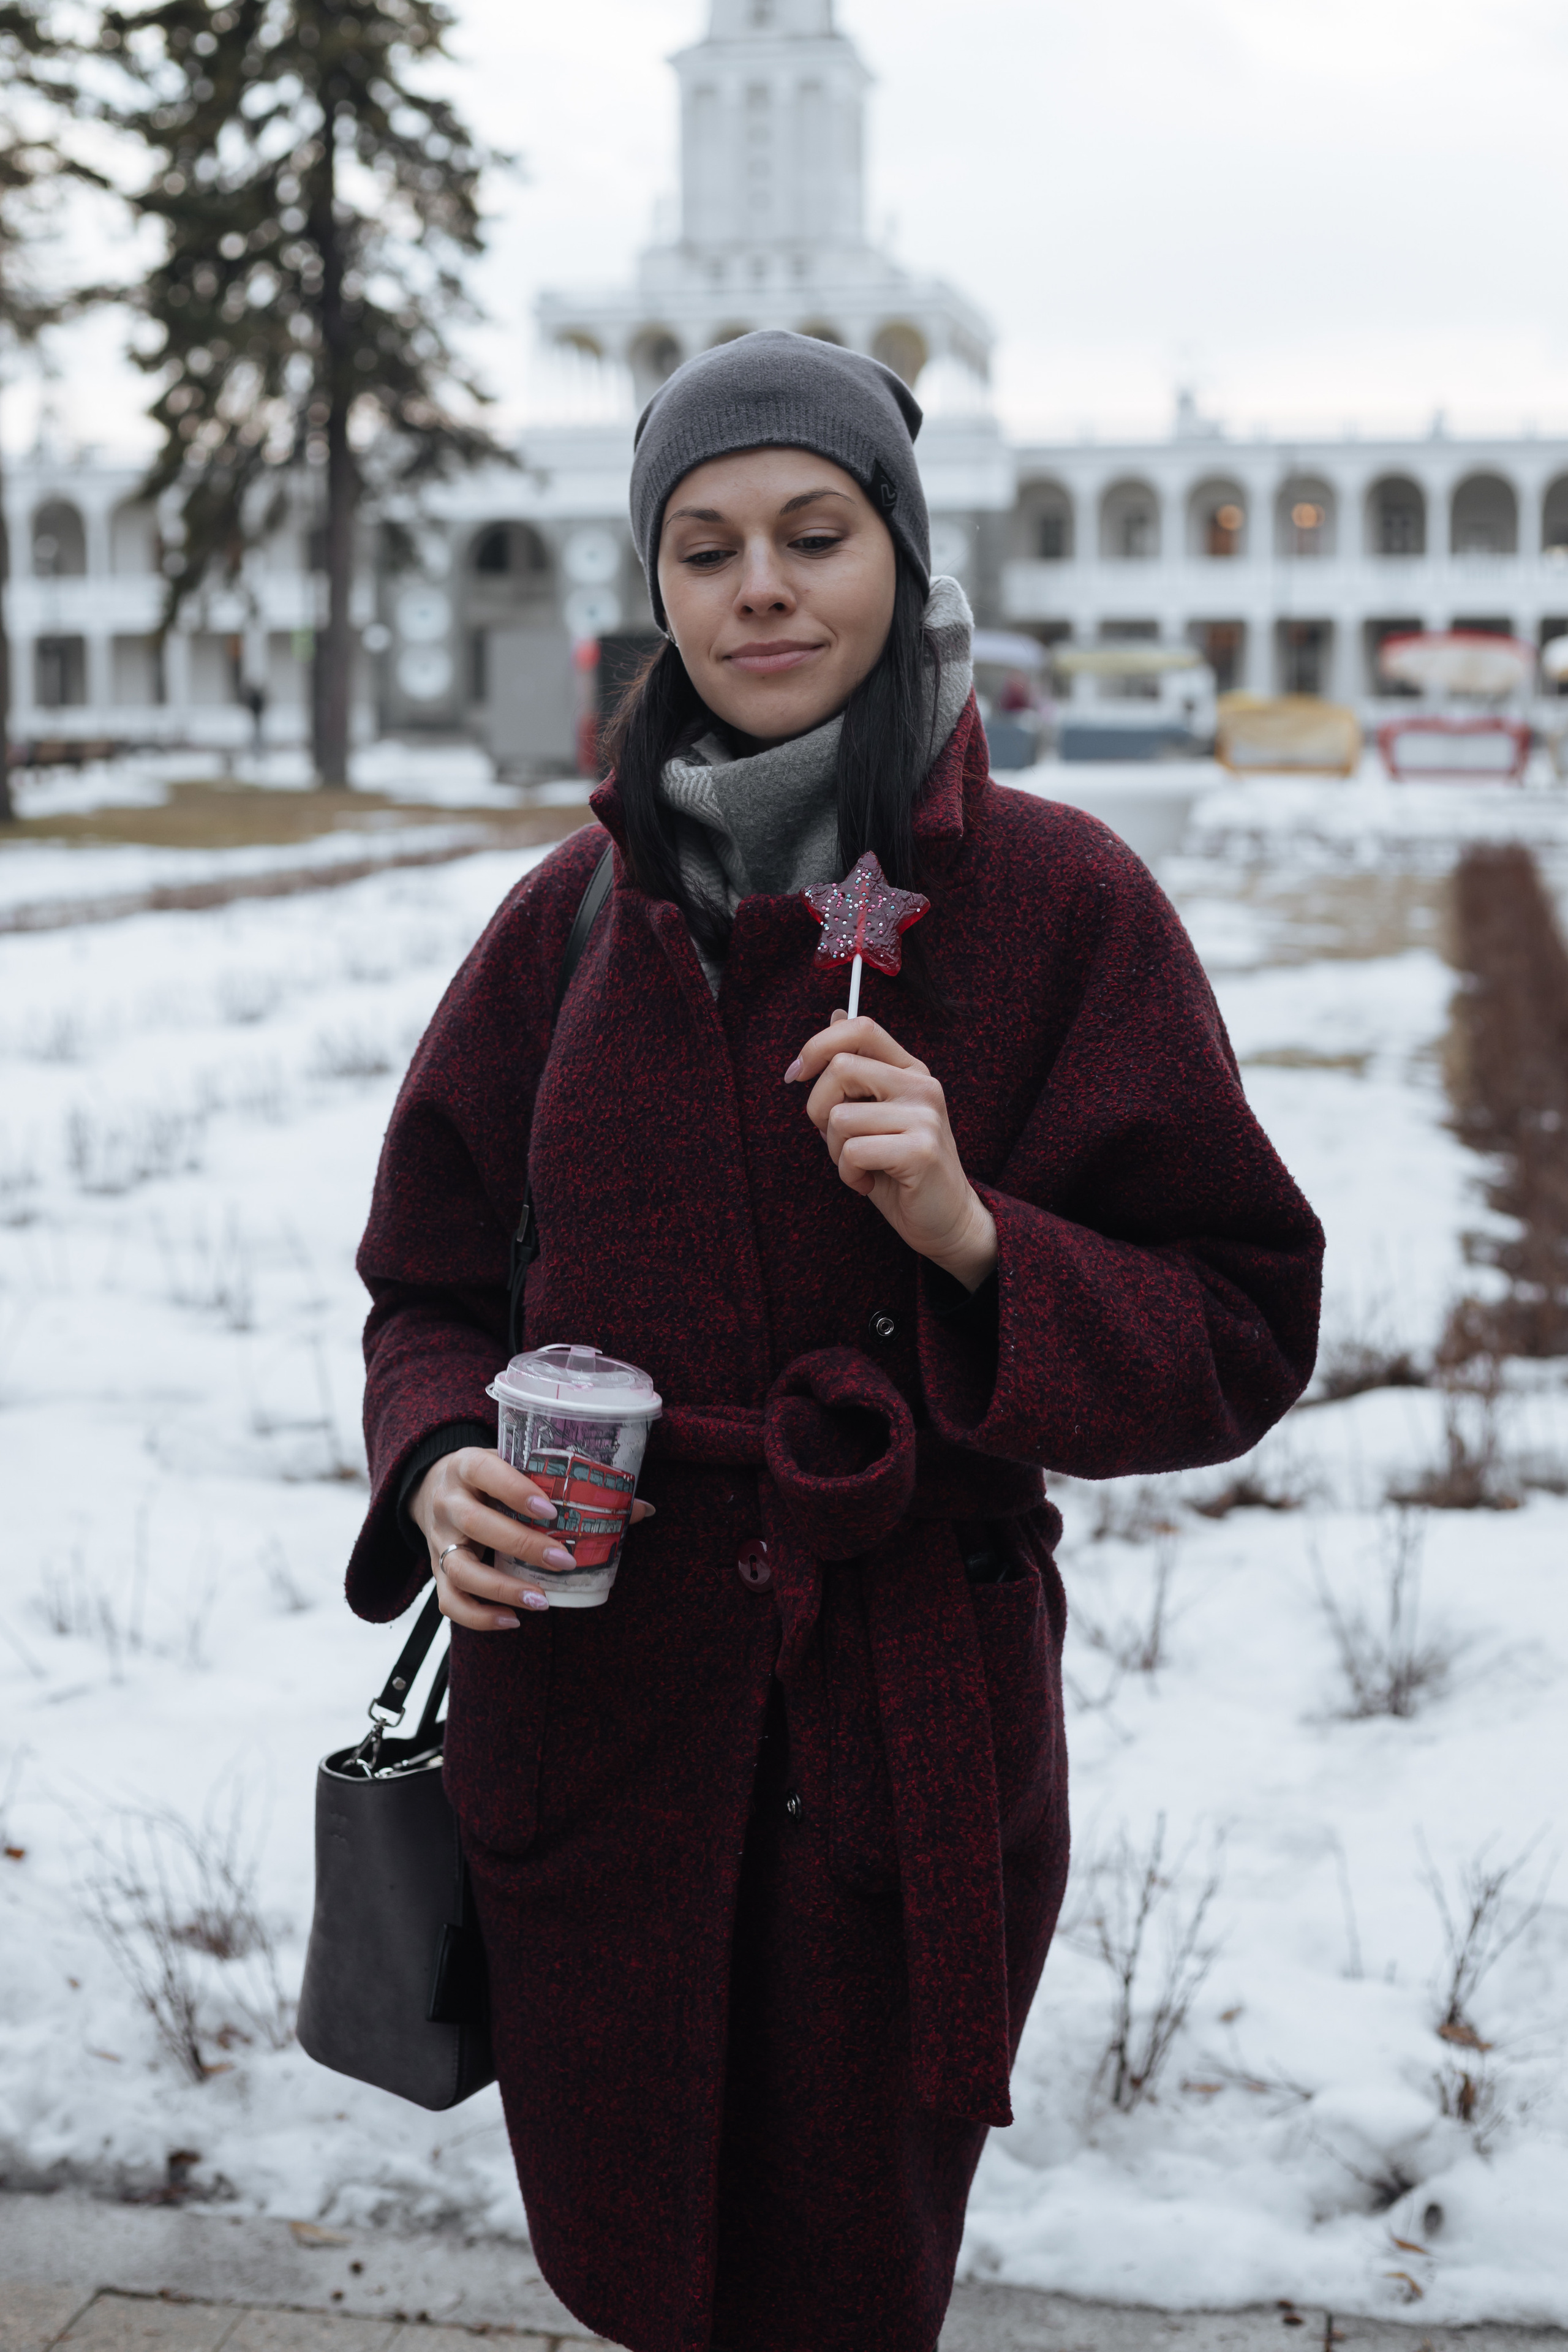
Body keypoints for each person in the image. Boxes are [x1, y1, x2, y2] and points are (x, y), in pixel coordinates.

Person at [347, 330, 1322, 2352]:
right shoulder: (576, 920)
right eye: (702, 549)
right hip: (601, 1743)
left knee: (841, 2285)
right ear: (658, 589)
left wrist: (977, 1239)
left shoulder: (1055, 903)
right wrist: (440, 1453)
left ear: (902, 549)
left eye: (815, 531)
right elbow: (428, 1279)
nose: (760, 587)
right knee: (631, 2262)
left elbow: (1241, 1324)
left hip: (905, 1745)